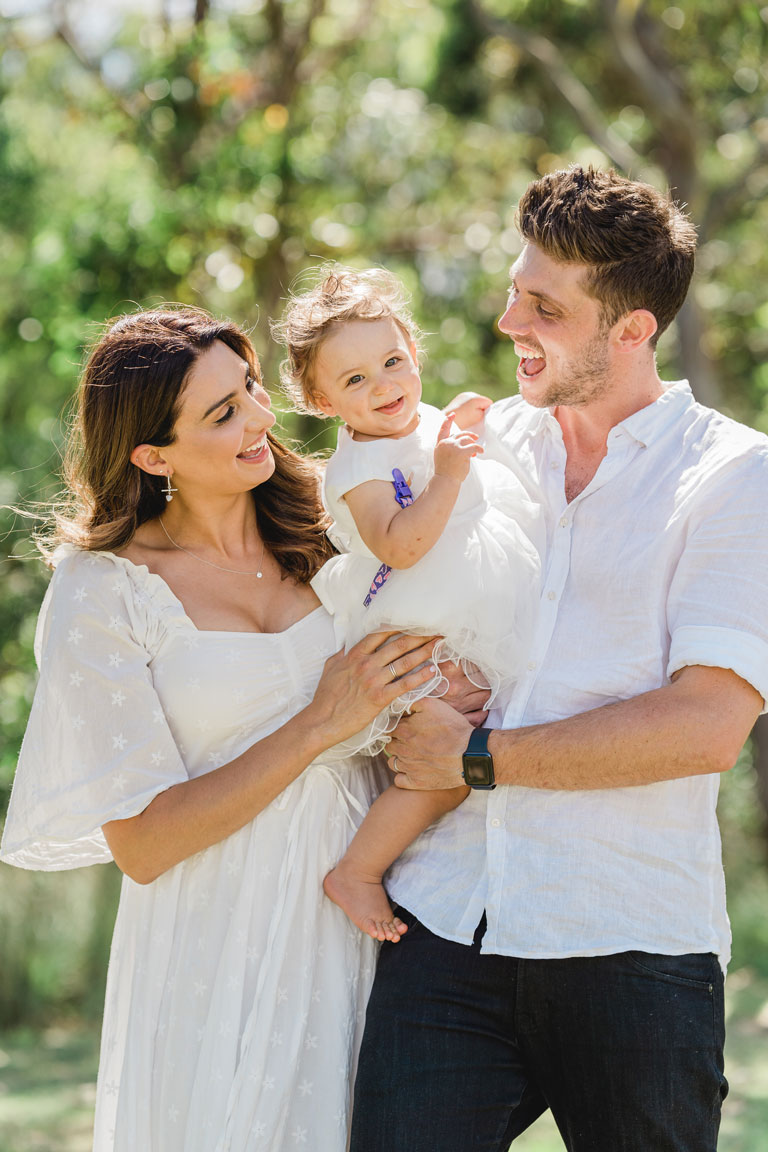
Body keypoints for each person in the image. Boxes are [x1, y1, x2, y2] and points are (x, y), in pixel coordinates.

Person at [349, 167, 768, 1152]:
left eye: (544, 307)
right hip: (445, 925)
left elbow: (707, 725)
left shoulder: (734, 477)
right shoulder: (477, 451)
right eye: (511, 289)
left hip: (633, 941)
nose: (507, 322)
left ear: (632, 332)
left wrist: (477, 759)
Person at [0, 306, 449, 1152]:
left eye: (249, 388)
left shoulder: (337, 525)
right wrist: (320, 722)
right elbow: (140, 843)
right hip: (216, 943)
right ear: (151, 455)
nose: (261, 418)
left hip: (378, 919)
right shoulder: (104, 590)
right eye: (223, 413)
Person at [274, 267, 541, 943]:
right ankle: (358, 871)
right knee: (444, 770)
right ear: (321, 399)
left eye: (393, 362)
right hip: (416, 624)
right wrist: (451, 472)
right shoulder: (358, 469)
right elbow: (400, 546)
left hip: (467, 606)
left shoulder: (415, 420)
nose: (385, 386)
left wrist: (462, 429)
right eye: (355, 381)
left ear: (413, 353)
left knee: (487, 731)